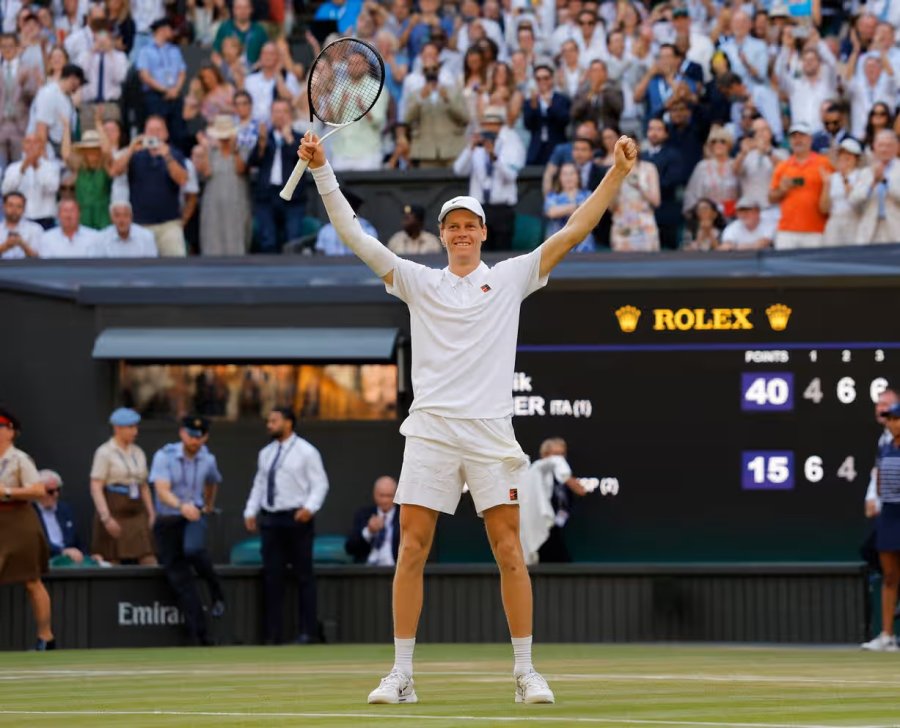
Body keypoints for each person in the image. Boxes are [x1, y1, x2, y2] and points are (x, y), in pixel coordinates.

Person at [297, 123, 638, 704]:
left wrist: (617, 174)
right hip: (430, 430)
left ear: (482, 233)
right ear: (443, 234)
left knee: (509, 550)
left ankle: (526, 672)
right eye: (452, 225)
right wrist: (323, 170)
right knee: (411, 549)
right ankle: (401, 674)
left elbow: (575, 229)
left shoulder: (509, 278)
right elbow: (354, 235)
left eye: (469, 226)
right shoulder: (417, 280)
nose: (461, 233)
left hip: (488, 433)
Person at [243, 408, 329, 645]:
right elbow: (259, 484)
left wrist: (309, 508)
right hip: (271, 519)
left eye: (274, 421)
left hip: (297, 518)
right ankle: (273, 635)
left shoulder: (306, 451)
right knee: (272, 577)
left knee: (304, 576)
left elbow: (320, 483)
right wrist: (251, 510)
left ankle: (307, 632)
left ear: (288, 423)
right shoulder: (266, 453)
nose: (269, 424)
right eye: (268, 421)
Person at [149, 415, 226, 646]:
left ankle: (215, 587)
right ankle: (199, 634)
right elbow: (161, 490)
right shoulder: (164, 456)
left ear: (206, 437)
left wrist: (208, 505)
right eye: (191, 435)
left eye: (200, 436)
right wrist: (181, 506)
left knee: (193, 549)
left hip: (194, 516)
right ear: (182, 433)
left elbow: (213, 481)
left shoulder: (208, 459)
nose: (195, 441)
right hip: (169, 518)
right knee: (180, 579)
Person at [0, 407, 54, 650]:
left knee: (32, 581)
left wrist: (8, 492)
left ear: (10, 432)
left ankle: (46, 636)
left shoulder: (20, 459)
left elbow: (38, 490)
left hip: (18, 520)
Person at [110, 115, 189, 256]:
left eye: (158, 130)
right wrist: (131, 148)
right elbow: (115, 171)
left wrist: (167, 157)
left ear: (166, 134)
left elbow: (183, 180)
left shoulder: (175, 154)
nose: (155, 134)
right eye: (150, 130)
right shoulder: (135, 154)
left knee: (175, 268)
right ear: (144, 133)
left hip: (168, 225)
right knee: (141, 270)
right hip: (140, 225)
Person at [452, 105, 526, 251]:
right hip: (479, 209)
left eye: (493, 125)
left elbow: (511, 176)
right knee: (480, 254)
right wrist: (470, 148)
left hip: (502, 208)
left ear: (500, 127)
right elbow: (459, 170)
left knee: (502, 256)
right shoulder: (476, 148)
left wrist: (494, 157)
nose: (489, 129)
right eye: (486, 125)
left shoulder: (510, 144)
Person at [89, 407, 156, 565]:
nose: (135, 431)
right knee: (112, 558)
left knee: (148, 557)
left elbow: (143, 485)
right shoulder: (105, 452)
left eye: (136, 426)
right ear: (117, 428)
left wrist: (151, 512)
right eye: (130, 427)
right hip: (114, 508)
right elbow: (96, 485)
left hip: (136, 509)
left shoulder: (138, 452)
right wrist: (106, 517)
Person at [862, 401, 900, 651]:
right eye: (889, 419)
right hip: (889, 515)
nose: (891, 422)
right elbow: (878, 476)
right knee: (889, 576)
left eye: (895, 418)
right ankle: (887, 636)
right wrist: (874, 499)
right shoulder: (885, 448)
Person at [248, 98, 306, 254]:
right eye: (276, 112)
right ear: (271, 115)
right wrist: (261, 143)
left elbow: (301, 160)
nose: (280, 116)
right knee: (267, 240)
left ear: (291, 115)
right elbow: (253, 162)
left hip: (293, 198)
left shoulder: (300, 137)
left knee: (293, 240)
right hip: (267, 195)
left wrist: (288, 139)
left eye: (284, 112)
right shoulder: (264, 138)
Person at [518, 437, 587, 566]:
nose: (559, 459)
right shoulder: (537, 471)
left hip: (557, 529)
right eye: (555, 455)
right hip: (540, 529)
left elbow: (578, 492)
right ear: (544, 455)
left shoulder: (560, 477)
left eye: (562, 454)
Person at [769, 122, 833, 249]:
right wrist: (782, 189)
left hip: (816, 230)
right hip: (787, 231)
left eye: (801, 136)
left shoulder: (824, 163)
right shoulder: (783, 166)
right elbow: (771, 198)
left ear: (810, 139)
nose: (798, 140)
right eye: (794, 137)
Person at [193, 114, 250, 256]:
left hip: (236, 203)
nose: (224, 139)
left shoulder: (242, 150)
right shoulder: (210, 152)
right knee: (212, 240)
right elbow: (206, 172)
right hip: (213, 204)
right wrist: (205, 149)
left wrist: (234, 148)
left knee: (236, 239)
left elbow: (241, 169)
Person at [849, 130, 900, 245]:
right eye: (881, 145)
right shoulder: (866, 172)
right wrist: (872, 184)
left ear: (896, 147)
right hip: (870, 231)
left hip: (896, 230)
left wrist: (885, 182)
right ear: (874, 147)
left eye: (889, 145)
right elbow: (853, 200)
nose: (884, 149)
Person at [1, 134, 60, 230]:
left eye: (35, 142)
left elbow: (52, 188)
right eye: (28, 142)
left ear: (41, 146)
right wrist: (22, 169)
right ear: (23, 146)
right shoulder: (13, 168)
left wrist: (37, 167)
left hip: (46, 220)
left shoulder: (51, 167)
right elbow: (6, 191)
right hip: (21, 219)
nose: (32, 146)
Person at [33, 469, 92, 565]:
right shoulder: (31, 513)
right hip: (44, 562)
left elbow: (78, 541)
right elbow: (36, 544)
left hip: (71, 561)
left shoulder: (65, 510)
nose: (55, 495)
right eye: (50, 491)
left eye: (58, 490)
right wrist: (62, 551)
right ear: (39, 491)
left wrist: (88, 557)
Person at [345, 475, 400, 565]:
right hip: (367, 570)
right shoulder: (363, 515)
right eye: (381, 496)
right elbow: (350, 548)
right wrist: (369, 531)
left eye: (389, 496)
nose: (385, 500)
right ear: (375, 494)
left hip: (395, 570)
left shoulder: (403, 517)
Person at [820, 138, 863, 247]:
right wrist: (826, 185)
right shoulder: (831, 178)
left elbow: (859, 204)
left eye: (849, 155)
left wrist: (845, 179)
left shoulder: (862, 175)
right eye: (842, 154)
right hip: (834, 221)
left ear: (856, 158)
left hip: (854, 221)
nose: (844, 158)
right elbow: (824, 209)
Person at [0, 191, 41, 259]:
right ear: (3, 207)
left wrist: (22, 244)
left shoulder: (35, 229)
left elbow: (40, 259)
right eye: (10, 205)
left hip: (27, 268)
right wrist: (5, 246)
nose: (14, 210)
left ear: (24, 208)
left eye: (19, 206)